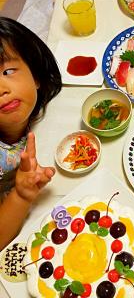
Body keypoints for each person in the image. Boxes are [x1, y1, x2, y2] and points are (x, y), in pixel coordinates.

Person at [0, 17, 62, 250]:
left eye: (8, 71)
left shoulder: (33, 104)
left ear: (36, 76)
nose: (2, 89)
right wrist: (22, 195)